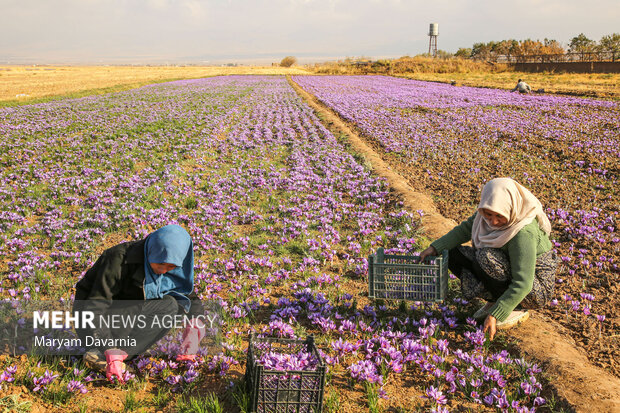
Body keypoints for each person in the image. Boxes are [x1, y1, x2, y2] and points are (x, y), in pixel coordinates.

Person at [420, 178, 558, 340]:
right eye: (488, 214)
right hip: (509, 268)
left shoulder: (523, 233)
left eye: (500, 216)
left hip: (534, 289)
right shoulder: (484, 215)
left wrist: (496, 314)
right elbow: (464, 230)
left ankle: (516, 307)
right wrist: (435, 247)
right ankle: (494, 299)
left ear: (510, 209)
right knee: (450, 252)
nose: (493, 221)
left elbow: (524, 283)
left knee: (486, 258)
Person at [73, 224, 205, 382]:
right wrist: (107, 345)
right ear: (152, 251)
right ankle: (101, 352)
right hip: (95, 321)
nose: (164, 271)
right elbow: (95, 307)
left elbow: (189, 296)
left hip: (127, 315)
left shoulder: (174, 266)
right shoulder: (119, 259)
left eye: (171, 266)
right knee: (169, 305)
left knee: (175, 305)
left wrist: (194, 331)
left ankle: (119, 355)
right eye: (160, 264)